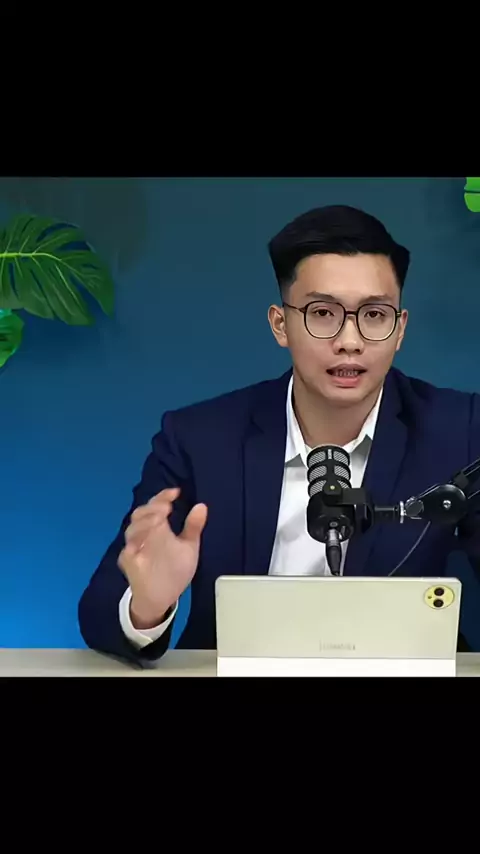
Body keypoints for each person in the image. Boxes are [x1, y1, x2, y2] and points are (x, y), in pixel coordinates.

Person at [78, 204, 480, 663]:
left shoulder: (461, 430)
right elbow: (100, 612)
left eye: (374, 314)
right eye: (323, 313)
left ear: (399, 329)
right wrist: (148, 604)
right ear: (280, 324)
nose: (350, 341)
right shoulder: (201, 439)